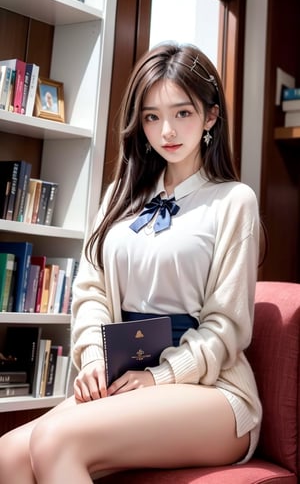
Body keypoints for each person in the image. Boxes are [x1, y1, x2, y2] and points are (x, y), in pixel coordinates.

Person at [0, 42, 262, 483]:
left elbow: (227, 327)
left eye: (183, 113)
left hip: (211, 389)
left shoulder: (233, 200)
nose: (167, 131)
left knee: (54, 440)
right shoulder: (120, 197)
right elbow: (91, 291)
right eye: (152, 117)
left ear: (211, 116)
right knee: (6, 454)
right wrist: (92, 361)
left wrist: (159, 376)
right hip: (124, 375)